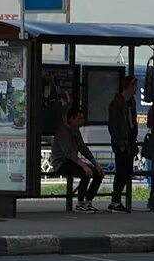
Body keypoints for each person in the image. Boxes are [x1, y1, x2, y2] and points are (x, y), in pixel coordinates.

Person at [50, 107, 104, 212]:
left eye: (82, 118)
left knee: (98, 174)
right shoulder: (63, 132)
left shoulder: (76, 132)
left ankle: (88, 202)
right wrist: (84, 166)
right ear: (72, 119)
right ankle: (80, 203)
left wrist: (96, 164)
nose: (82, 121)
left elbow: (83, 149)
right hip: (61, 163)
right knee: (85, 173)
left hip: (72, 162)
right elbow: (69, 153)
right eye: (79, 118)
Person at [107, 75, 138, 213]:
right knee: (121, 171)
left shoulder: (131, 102)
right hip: (121, 142)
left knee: (127, 172)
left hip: (130, 141)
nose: (136, 88)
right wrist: (119, 141)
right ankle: (115, 201)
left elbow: (132, 122)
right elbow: (113, 125)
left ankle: (116, 200)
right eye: (134, 86)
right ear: (128, 86)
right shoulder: (117, 103)